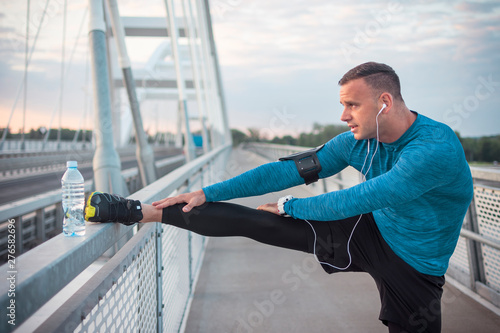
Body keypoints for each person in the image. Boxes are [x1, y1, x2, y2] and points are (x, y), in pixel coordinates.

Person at [85, 62, 473, 333]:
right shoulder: (356, 141)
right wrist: (208, 191)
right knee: (259, 224)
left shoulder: (432, 150)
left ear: (384, 103)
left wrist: (291, 206)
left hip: (416, 264)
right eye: (342, 104)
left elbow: (359, 198)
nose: (343, 115)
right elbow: (285, 170)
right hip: (376, 229)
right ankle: (143, 212)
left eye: (351, 105)